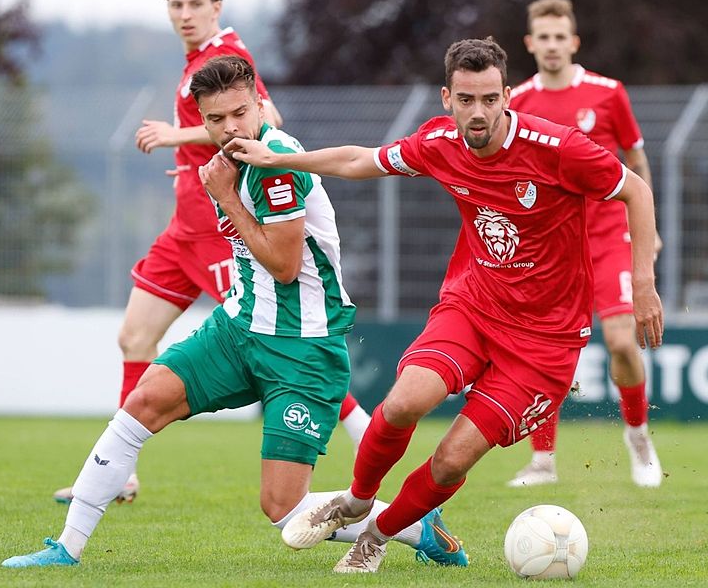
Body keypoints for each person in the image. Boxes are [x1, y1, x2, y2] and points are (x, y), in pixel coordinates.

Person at [3, 56, 467, 569]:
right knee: (144, 400)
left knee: (283, 510)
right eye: (216, 118)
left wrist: (225, 198)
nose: (230, 127)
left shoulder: (275, 165)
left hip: (302, 347)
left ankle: (415, 524)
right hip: (238, 327)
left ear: (258, 104)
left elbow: (285, 265)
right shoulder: (228, 160)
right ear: (200, 119)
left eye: (239, 113)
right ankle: (66, 548)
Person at [221, 38, 663, 573]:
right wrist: (279, 157)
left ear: (506, 97)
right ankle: (356, 501)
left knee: (454, 458)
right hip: (473, 308)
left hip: (545, 342)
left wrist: (643, 283)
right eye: (466, 100)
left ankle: (377, 535)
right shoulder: (439, 141)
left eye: (489, 99)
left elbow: (635, 189)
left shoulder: (558, 148)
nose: (478, 113)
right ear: (447, 98)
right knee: (405, 401)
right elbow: (362, 159)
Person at [51, 0, 370, 505]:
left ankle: (369, 445)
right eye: (175, 5)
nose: (184, 14)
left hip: (220, 229)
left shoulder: (226, 55)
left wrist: (175, 137)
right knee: (134, 337)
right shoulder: (197, 57)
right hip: (185, 228)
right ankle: (122, 475)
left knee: (283, 337)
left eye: (195, 4)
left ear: (215, 6)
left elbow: (268, 121)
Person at [506, 0, 664, 489]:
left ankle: (638, 437)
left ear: (573, 42)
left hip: (607, 233)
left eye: (560, 37)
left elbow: (636, 163)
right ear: (531, 44)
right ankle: (542, 461)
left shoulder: (608, 93)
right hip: (551, 245)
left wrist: (649, 229)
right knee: (543, 349)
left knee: (620, 339)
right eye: (543, 38)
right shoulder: (521, 101)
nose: (552, 46)